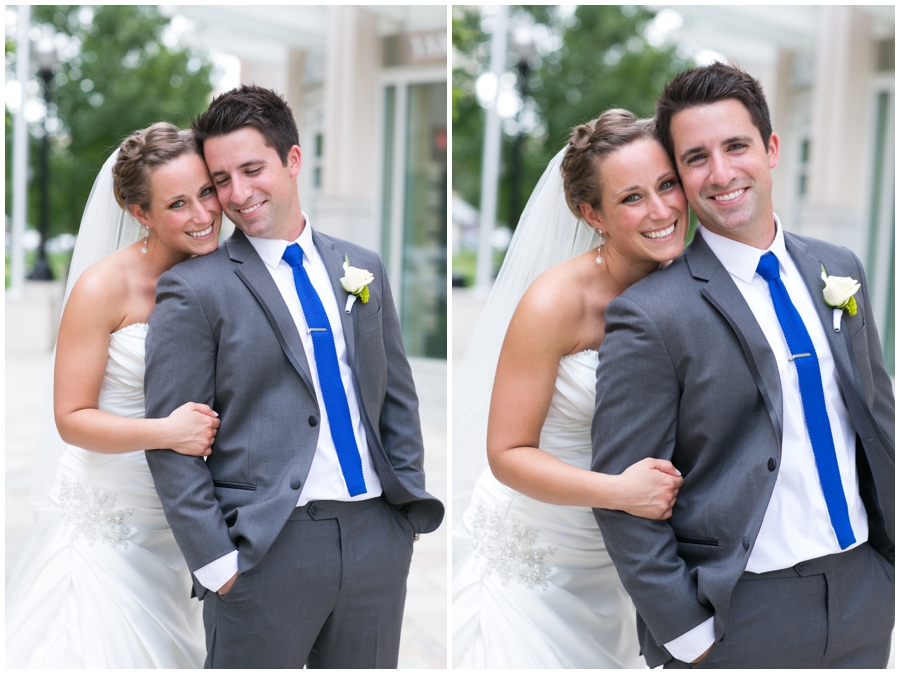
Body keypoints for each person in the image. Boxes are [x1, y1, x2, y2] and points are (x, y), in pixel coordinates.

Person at [592, 63, 894, 668]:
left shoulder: (840, 268)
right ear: (678, 175)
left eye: (736, 146)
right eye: (696, 157)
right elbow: (622, 494)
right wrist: (687, 636)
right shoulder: (650, 314)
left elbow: (878, 418)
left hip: (864, 593)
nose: (722, 173)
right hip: (738, 616)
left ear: (772, 148)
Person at [143, 85, 444, 669]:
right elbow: (171, 438)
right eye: (221, 179)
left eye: (252, 169)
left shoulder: (363, 267)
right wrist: (217, 564)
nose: (237, 193)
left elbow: (396, 400)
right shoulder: (195, 289)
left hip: (376, 538)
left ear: (294, 160)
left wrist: (400, 519)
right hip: (265, 552)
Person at [452, 109, 687, 668]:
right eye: (631, 198)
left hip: (619, 566)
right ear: (592, 214)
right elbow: (507, 454)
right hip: (534, 556)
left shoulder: (691, 281)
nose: (660, 211)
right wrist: (622, 493)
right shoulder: (555, 302)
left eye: (667, 184)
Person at [6, 122, 223, 668]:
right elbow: (72, 417)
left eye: (206, 192)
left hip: (180, 528)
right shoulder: (104, 287)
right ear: (140, 214)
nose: (202, 215)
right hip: (106, 519)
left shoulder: (225, 273)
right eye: (177, 204)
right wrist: (168, 432)